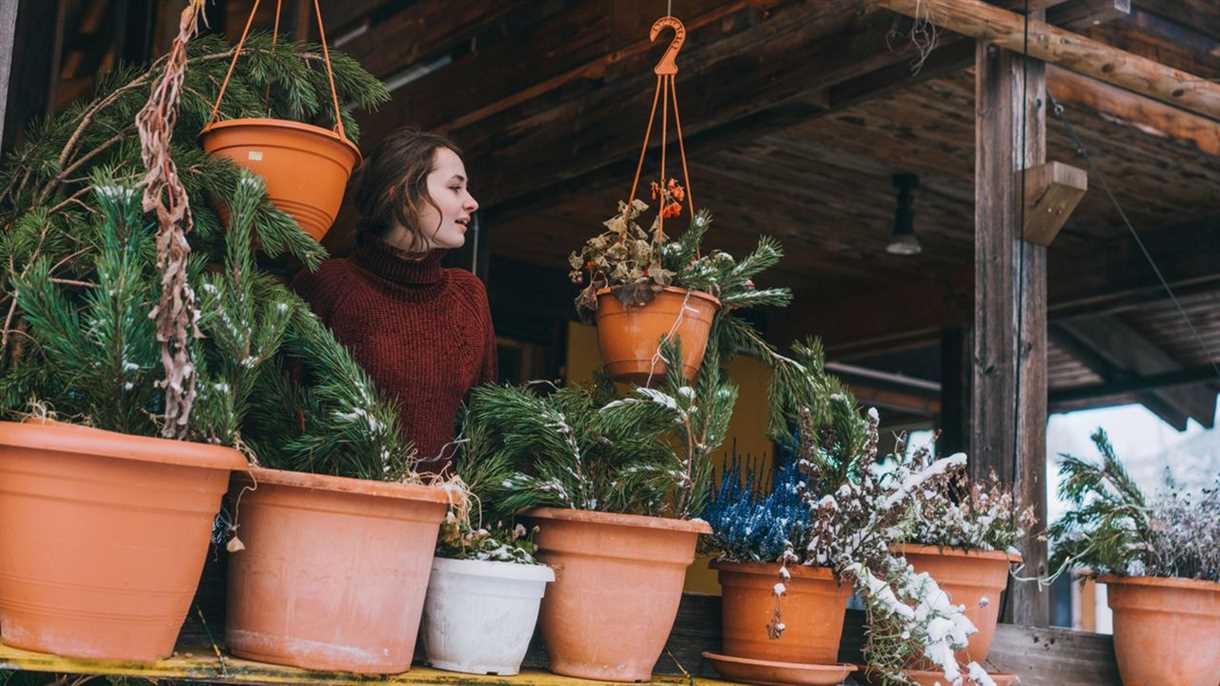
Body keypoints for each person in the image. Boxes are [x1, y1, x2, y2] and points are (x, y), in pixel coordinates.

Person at [292, 127, 496, 475]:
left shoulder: (469, 295)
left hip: (440, 522)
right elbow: (284, 414)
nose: (471, 201)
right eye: (454, 187)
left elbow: (485, 426)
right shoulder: (328, 284)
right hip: (335, 514)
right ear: (401, 192)